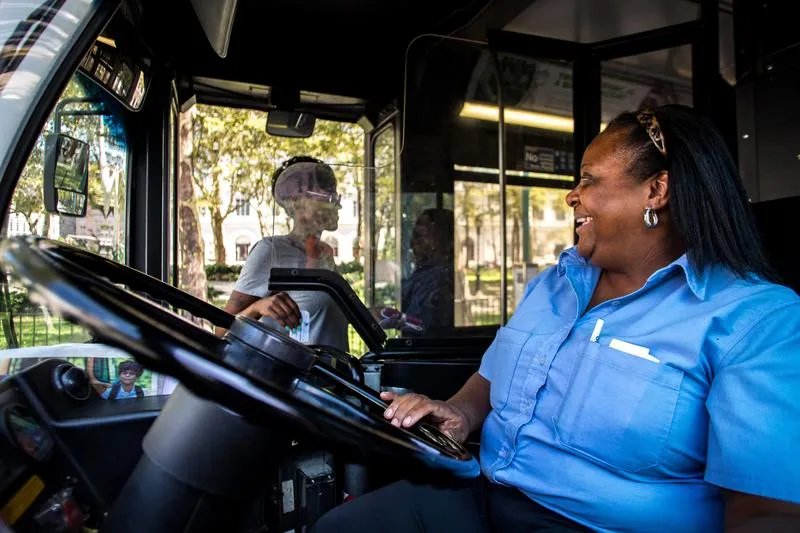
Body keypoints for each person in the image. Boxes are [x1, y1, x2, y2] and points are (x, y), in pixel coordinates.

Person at [311, 105, 800, 532]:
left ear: (657, 190)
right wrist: (459, 413)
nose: (572, 195)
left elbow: (767, 512)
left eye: (588, 179)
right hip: (483, 494)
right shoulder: (555, 283)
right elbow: (493, 371)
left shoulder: (756, 320)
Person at [220, 156, 349, 352]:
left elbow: (335, 317)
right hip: (289, 379)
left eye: (336, 197)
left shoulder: (325, 253)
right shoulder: (270, 250)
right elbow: (222, 331)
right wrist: (258, 307)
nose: (337, 205)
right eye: (328, 197)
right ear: (297, 203)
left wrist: (393, 317)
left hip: (331, 378)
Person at [378, 208, 455, 336]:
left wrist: (396, 318)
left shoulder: (439, 279)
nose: (412, 244)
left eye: (420, 236)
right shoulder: (426, 274)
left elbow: (426, 327)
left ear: (440, 240)